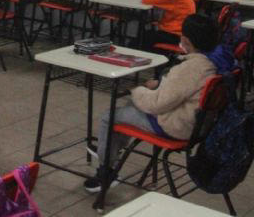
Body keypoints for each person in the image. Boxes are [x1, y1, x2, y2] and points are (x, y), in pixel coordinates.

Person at [84, 14, 219, 193]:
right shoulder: (210, 64)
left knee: (109, 117)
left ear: (185, 39)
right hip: (196, 126)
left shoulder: (189, 68)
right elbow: (185, 89)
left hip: (175, 128)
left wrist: (137, 90)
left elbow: (156, 104)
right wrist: (159, 85)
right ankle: (109, 150)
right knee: (129, 107)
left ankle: (106, 171)